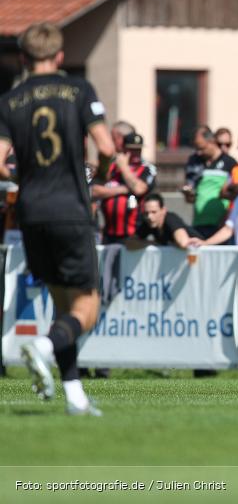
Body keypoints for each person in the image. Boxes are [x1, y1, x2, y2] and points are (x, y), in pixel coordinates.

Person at [0, 21, 116, 416]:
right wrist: (101, 176)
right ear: (60, 55)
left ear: (23, 58)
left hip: (31, 212)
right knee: (87, 308)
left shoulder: (9, 100)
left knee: (62, 305)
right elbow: (106, 147)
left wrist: (25, 179)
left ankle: (76, 397)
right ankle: (45, 346)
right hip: (70, 209)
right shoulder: (78, 90)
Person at [91, 132, 157, 244]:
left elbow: (139, 189)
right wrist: (124, 189)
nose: (135, 153)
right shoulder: (111, 168)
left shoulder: (147, 169)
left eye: (138, 149)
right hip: (109, 233)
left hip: (134, 235)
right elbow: (94, 191)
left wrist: (124, 167)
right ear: (124, 149)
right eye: (132, 150)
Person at [186, 127, 237, 238]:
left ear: (211, 142)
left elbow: (234, 194)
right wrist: (188, 193)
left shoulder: (230, 162)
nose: (199, 152)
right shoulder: (194, 161)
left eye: (201, 148)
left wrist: (226, 218)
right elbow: (191, 198)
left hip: (221, 224)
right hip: (199, 222)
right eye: (196, 148)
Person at [129, 193, 201, 248]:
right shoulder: (149, 222)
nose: (149, 216)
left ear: (163, 210)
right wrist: (152, 243)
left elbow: (184, 243)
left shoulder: (171, 219)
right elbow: (130, 244)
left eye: (154, 212)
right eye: (146, 213)